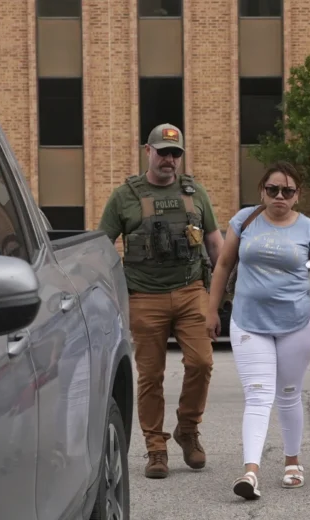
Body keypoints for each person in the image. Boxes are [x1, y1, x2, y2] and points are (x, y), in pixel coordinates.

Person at [98, 123, 224, 479]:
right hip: (143, 296)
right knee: (150, 375)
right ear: (147, 151)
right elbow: (100, 245)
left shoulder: (195, 192)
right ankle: (156, 447)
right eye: (163, 152)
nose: (169, 159)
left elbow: (216, 245)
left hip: (189, 291)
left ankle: (188, 429)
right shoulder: (124, 196)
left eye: (175, 153)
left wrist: (220, 295)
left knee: (201, 363)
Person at [205, 161, 310, 501]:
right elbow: (223, 265)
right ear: (262, 191)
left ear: (297, 196)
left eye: (287, 191)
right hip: (249, 320)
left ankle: (292, 461)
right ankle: (250, 472)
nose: (279, 196)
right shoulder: (245, 220)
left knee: (289, 392)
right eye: (272, 189)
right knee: (259, 394)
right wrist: (211, 309)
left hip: (297, 323)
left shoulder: (309, 229)